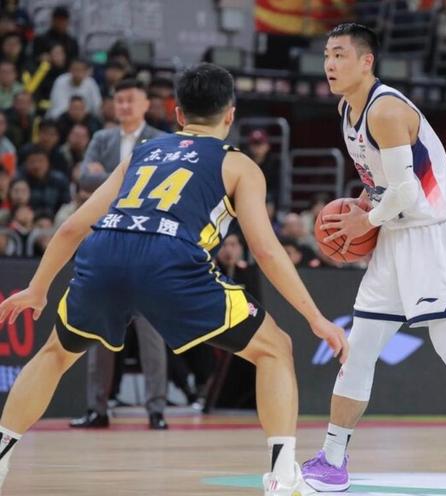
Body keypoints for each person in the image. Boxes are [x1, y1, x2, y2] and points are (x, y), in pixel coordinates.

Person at [0, 62, 347, 495]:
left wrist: (38, 288)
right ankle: (281, 477)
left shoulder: (143, 152)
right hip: (171, 260)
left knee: (55, 353)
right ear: (230, 114)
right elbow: (265, 250)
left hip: (106, 251)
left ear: (178, 114)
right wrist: (316, 318)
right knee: (275, 348)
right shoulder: (239, 166)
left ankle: (1, 453)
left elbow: (72, 227)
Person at [301, 23, 446, 496]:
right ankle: (332, 460)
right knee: (360, 349)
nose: (330, 64)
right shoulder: (347, 109)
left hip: (431, 235)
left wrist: (364, 221)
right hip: (395, 234)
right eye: (327, 56)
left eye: (340, 55)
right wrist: (364, 204)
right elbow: (382, 182)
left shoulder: (385, 111)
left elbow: (406, 191)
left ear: (366, 62)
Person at [71, 79, 168, 430]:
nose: (124, 106)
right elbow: (84, 176)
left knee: (151, 330)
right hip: (107, 241)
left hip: (148, 244)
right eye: (119, 100)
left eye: (130, 100)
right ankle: (97, 408)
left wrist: (108, 181)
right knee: (99, 329)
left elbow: (160, 189)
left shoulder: (162, 140)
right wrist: (132, 184)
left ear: (145, 104)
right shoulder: (102, 139)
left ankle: (156, 409)